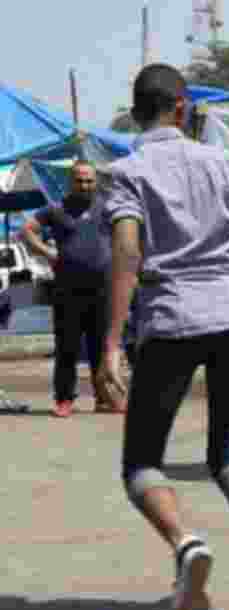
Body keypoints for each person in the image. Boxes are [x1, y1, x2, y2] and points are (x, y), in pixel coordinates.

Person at [97, 63, 229, 610]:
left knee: (141, 461)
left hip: (171, 318)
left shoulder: (126, 172)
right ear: (182, 108)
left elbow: (129, 253)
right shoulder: (220, 161)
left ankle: (186, 545)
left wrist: (111, 343)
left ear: (136, 111)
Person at [20, 160, 125, 417]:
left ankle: (103, 398)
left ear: (95, 181)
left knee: (100, 346)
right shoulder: (56, 210)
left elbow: (129, 233)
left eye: (89, 180)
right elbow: (27, 230)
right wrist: (48, 252)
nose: (85, 185)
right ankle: (64, 399)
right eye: (80, 180)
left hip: (102, 289)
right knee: (67, 346)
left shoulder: (107, 208)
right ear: (71, 182)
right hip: (68, 290)